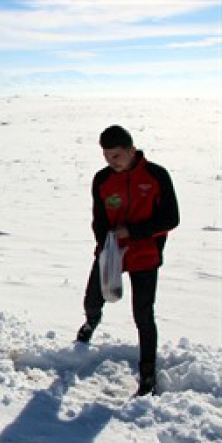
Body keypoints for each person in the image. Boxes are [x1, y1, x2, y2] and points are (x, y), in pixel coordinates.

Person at [76, 125, 179, 396]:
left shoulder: (156, 176)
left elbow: (171, 219)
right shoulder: (102, 179)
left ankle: (147, 375)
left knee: (143, 315)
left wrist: (133, 232)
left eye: (117, 156)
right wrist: (105, 244)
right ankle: (90, 324)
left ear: (132, 150)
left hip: (145, 254)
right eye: (107, 156)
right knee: (92, 298)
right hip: (111, 253)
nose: (111, 162)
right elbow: (99, 218)